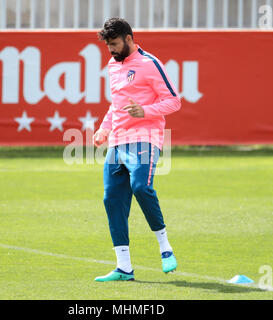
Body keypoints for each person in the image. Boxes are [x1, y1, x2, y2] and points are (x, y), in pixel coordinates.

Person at [93, 17, 181, 282]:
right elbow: (116, 105)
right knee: (111, 200)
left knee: (141, 187)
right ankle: (124, 268)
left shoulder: (149, 64)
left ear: (129, 38)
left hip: (145, 137)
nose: (111, 49)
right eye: (108, 45)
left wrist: (145, 111)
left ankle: (165, 248)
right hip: (117, 140)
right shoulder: (112, 65)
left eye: (115, 43)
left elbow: (174, 101)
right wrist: (104, 128)